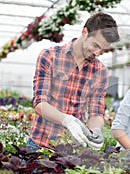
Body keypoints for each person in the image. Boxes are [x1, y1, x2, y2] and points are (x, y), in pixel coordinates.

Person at [27, 12, 120, 151]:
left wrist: (96, 130)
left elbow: (96, 112)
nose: (97, 53)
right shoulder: (50, 57)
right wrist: (67, 120)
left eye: (102, 49)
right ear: (85, 32)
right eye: (95, 45)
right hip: (40, 146)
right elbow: (40, 104)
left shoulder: (100, 71)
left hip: (72, 151)